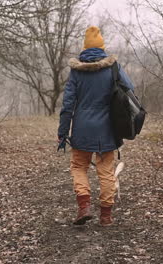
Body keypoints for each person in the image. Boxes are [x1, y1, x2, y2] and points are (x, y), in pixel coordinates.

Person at [57, 26, 134, 226]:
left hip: (82, 128)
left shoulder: (76, 72)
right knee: (106, 171)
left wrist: (63, 132)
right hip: (107, 129)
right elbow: (129, 90)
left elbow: (67, 105)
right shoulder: (113, 68)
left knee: (78, 166)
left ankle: (84, 206)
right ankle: (106, 217)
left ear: (85, 48)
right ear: (101, 46)